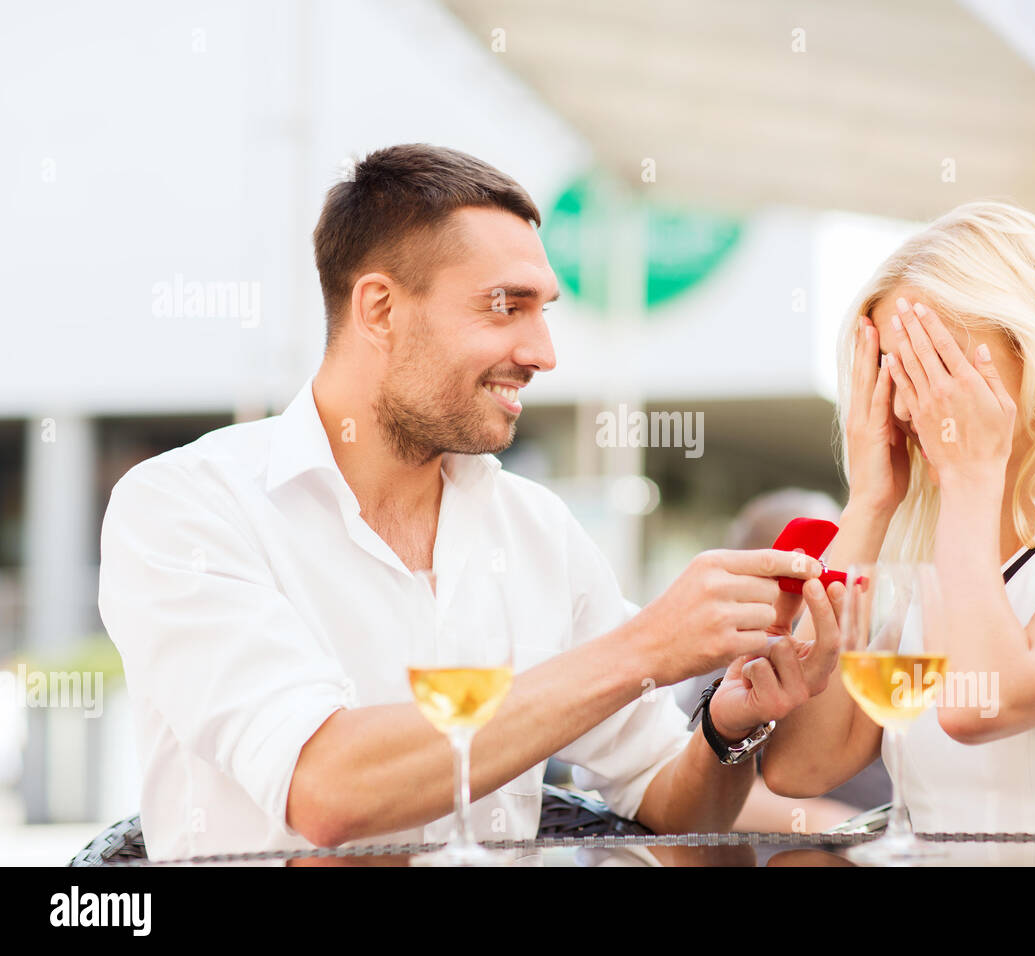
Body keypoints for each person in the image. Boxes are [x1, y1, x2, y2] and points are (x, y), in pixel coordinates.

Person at [97, 144, 836, 859]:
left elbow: (670, 808)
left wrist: (727, 728)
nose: (543, 352)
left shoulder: (537, 528)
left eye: (544, 310)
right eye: (505, 308)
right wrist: (646, 649)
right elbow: (326, 791)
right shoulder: (185, 509)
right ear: (380, 309)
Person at [719, 200, 1035, 833]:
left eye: (935, 362)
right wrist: (869, 503)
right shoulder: (948, 561)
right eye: (893, 367)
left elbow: (982, 703)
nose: (914, 399)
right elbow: (801, 768)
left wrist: (969, 476)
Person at [673, 488, 890, 832]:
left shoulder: (869, 646)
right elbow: (687, 785)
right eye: (828, 560)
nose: (846, 571)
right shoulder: (737, 657)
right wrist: (832, 824)